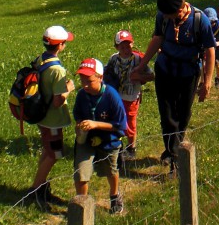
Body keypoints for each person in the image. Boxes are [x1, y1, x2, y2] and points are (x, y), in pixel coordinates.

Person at [131, 0, 215, 171]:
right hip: (165, 70)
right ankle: (173, 155)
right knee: (167, 115)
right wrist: (142, 64)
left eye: (169, 15)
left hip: (189, 73)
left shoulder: (200, 21)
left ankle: (172, 148)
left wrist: (207, 81)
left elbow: (210, 50)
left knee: (183, 114)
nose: (167, 18)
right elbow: (157, 39)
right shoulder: (163, 17)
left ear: (180, 9)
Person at [22, 25, 75, 211]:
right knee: (54, 154)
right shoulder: (57, 70)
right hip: (53, 119)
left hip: (41, 115)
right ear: (60, 45)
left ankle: (42, 185)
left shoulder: (41, 59)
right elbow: (58, 101)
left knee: (48, 150)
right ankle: (35, 190)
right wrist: (69, 87)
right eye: (64, 42)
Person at [73, 58, 127, 214]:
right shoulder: (82, 95)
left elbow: (120, 126)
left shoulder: (111, 96)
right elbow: (77, 113)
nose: (85, 85)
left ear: (100, 78)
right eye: (82, 80)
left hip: (109, 140)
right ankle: (82, 206)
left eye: (89, 81)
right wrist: (79, 124)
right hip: (87, 140)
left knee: (111, 170)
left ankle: (114, 195)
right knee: (81, 171)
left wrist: (96, 124)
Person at [104, 30, 154, 159]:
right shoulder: (114, 59)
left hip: (131, 97)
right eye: (122, 47)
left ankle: (131, 147)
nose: (126, 49)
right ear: (116, 47)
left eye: (128, 45)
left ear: (132, 44)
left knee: (130, 122)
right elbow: (107, 73)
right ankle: (117, 145)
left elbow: (152, 75)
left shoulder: (138, 59)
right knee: (116, 119)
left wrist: (140, 76)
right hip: (116, 96)